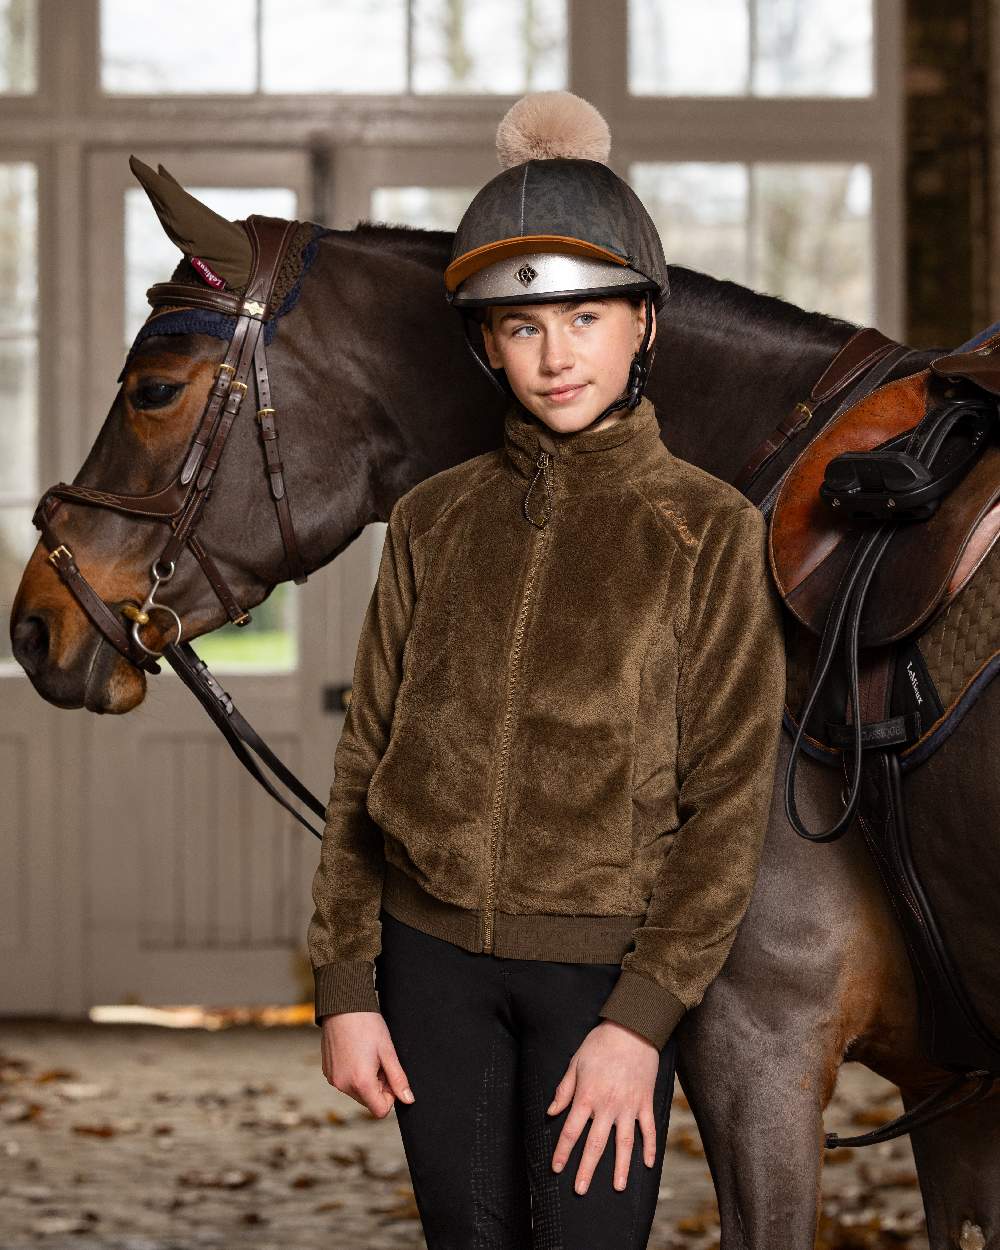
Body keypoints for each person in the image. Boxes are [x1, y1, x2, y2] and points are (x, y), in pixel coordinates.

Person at [307, 91, 787, 1249]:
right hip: (428, 975)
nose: (555, 352)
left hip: (599, 982)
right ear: (484, 342)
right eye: (521, 327)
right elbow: (364, 760)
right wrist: (343, 987)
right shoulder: (429, 520)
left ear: (644, 326)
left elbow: (726, 808)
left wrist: (641, 1020)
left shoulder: (710, 530)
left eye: (585, 316)